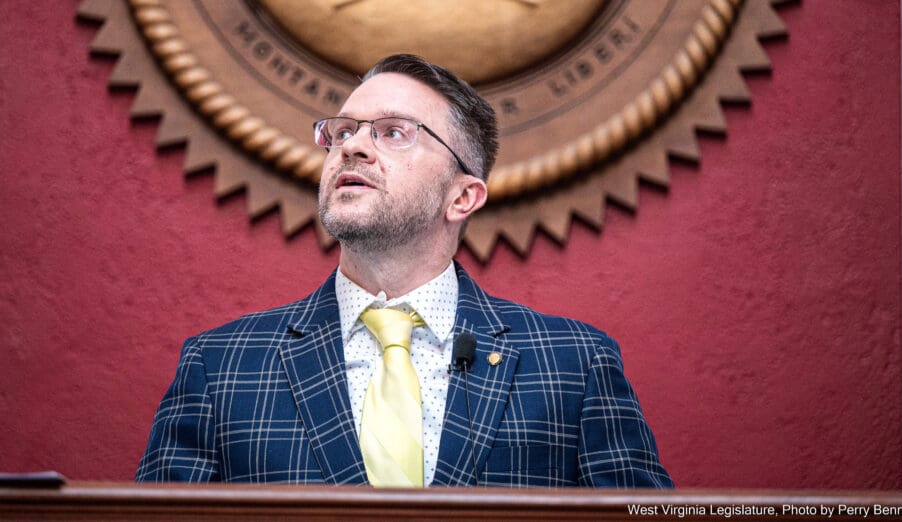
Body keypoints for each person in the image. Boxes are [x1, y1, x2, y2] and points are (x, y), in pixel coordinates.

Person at [135, 54, 672, 487]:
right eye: (343, 132)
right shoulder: (219, 367)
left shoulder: (575, 366)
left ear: (463, 196)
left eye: (393, 132)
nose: (354, 147)